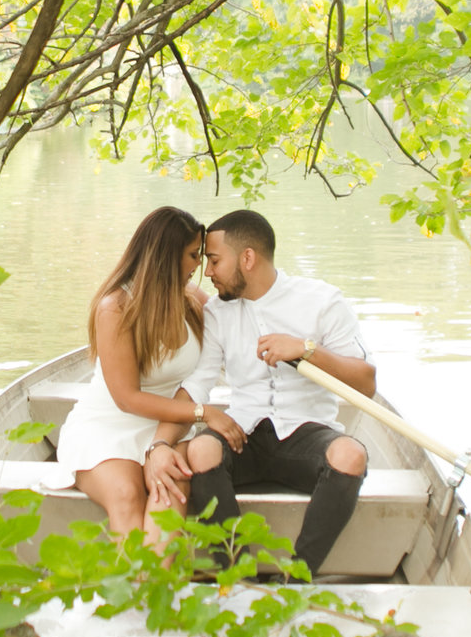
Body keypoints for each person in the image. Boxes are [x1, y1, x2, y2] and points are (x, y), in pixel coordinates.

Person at [154, 209, 375, 580]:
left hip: (307, 433)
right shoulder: (218, 314)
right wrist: (160, 444)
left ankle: (295, 581)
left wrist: (306, 350)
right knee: (202, 448)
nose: (208, 272)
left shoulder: (322, 300)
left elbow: (366, 384)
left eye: (214, 260)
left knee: (351, 454)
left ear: (248, 259)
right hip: (245, 434)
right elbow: (196, 386)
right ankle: (236, 575)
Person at [59, 206, 247, 544]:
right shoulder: (115, 308)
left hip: (166, 427)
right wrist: (205, 413)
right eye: (192, 255)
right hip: (107, 427)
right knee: (127, 494)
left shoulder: (192, 301)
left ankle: (152, 589)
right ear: (166, 256)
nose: (198, 267)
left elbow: (240, 323)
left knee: (171, 485)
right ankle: (139, 592)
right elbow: (127, 398)